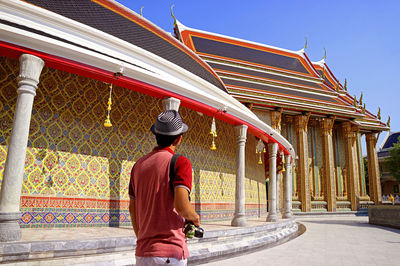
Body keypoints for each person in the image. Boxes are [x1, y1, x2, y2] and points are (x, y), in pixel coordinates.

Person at [128, 110, 200, 266]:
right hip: (170, 253)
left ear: (156, 135)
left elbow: (132, 209)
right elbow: (181, 207)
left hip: (143, 254)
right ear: (179, 139)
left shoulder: (138, 166)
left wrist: (143, 238)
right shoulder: (180, 163)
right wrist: (194, 217)